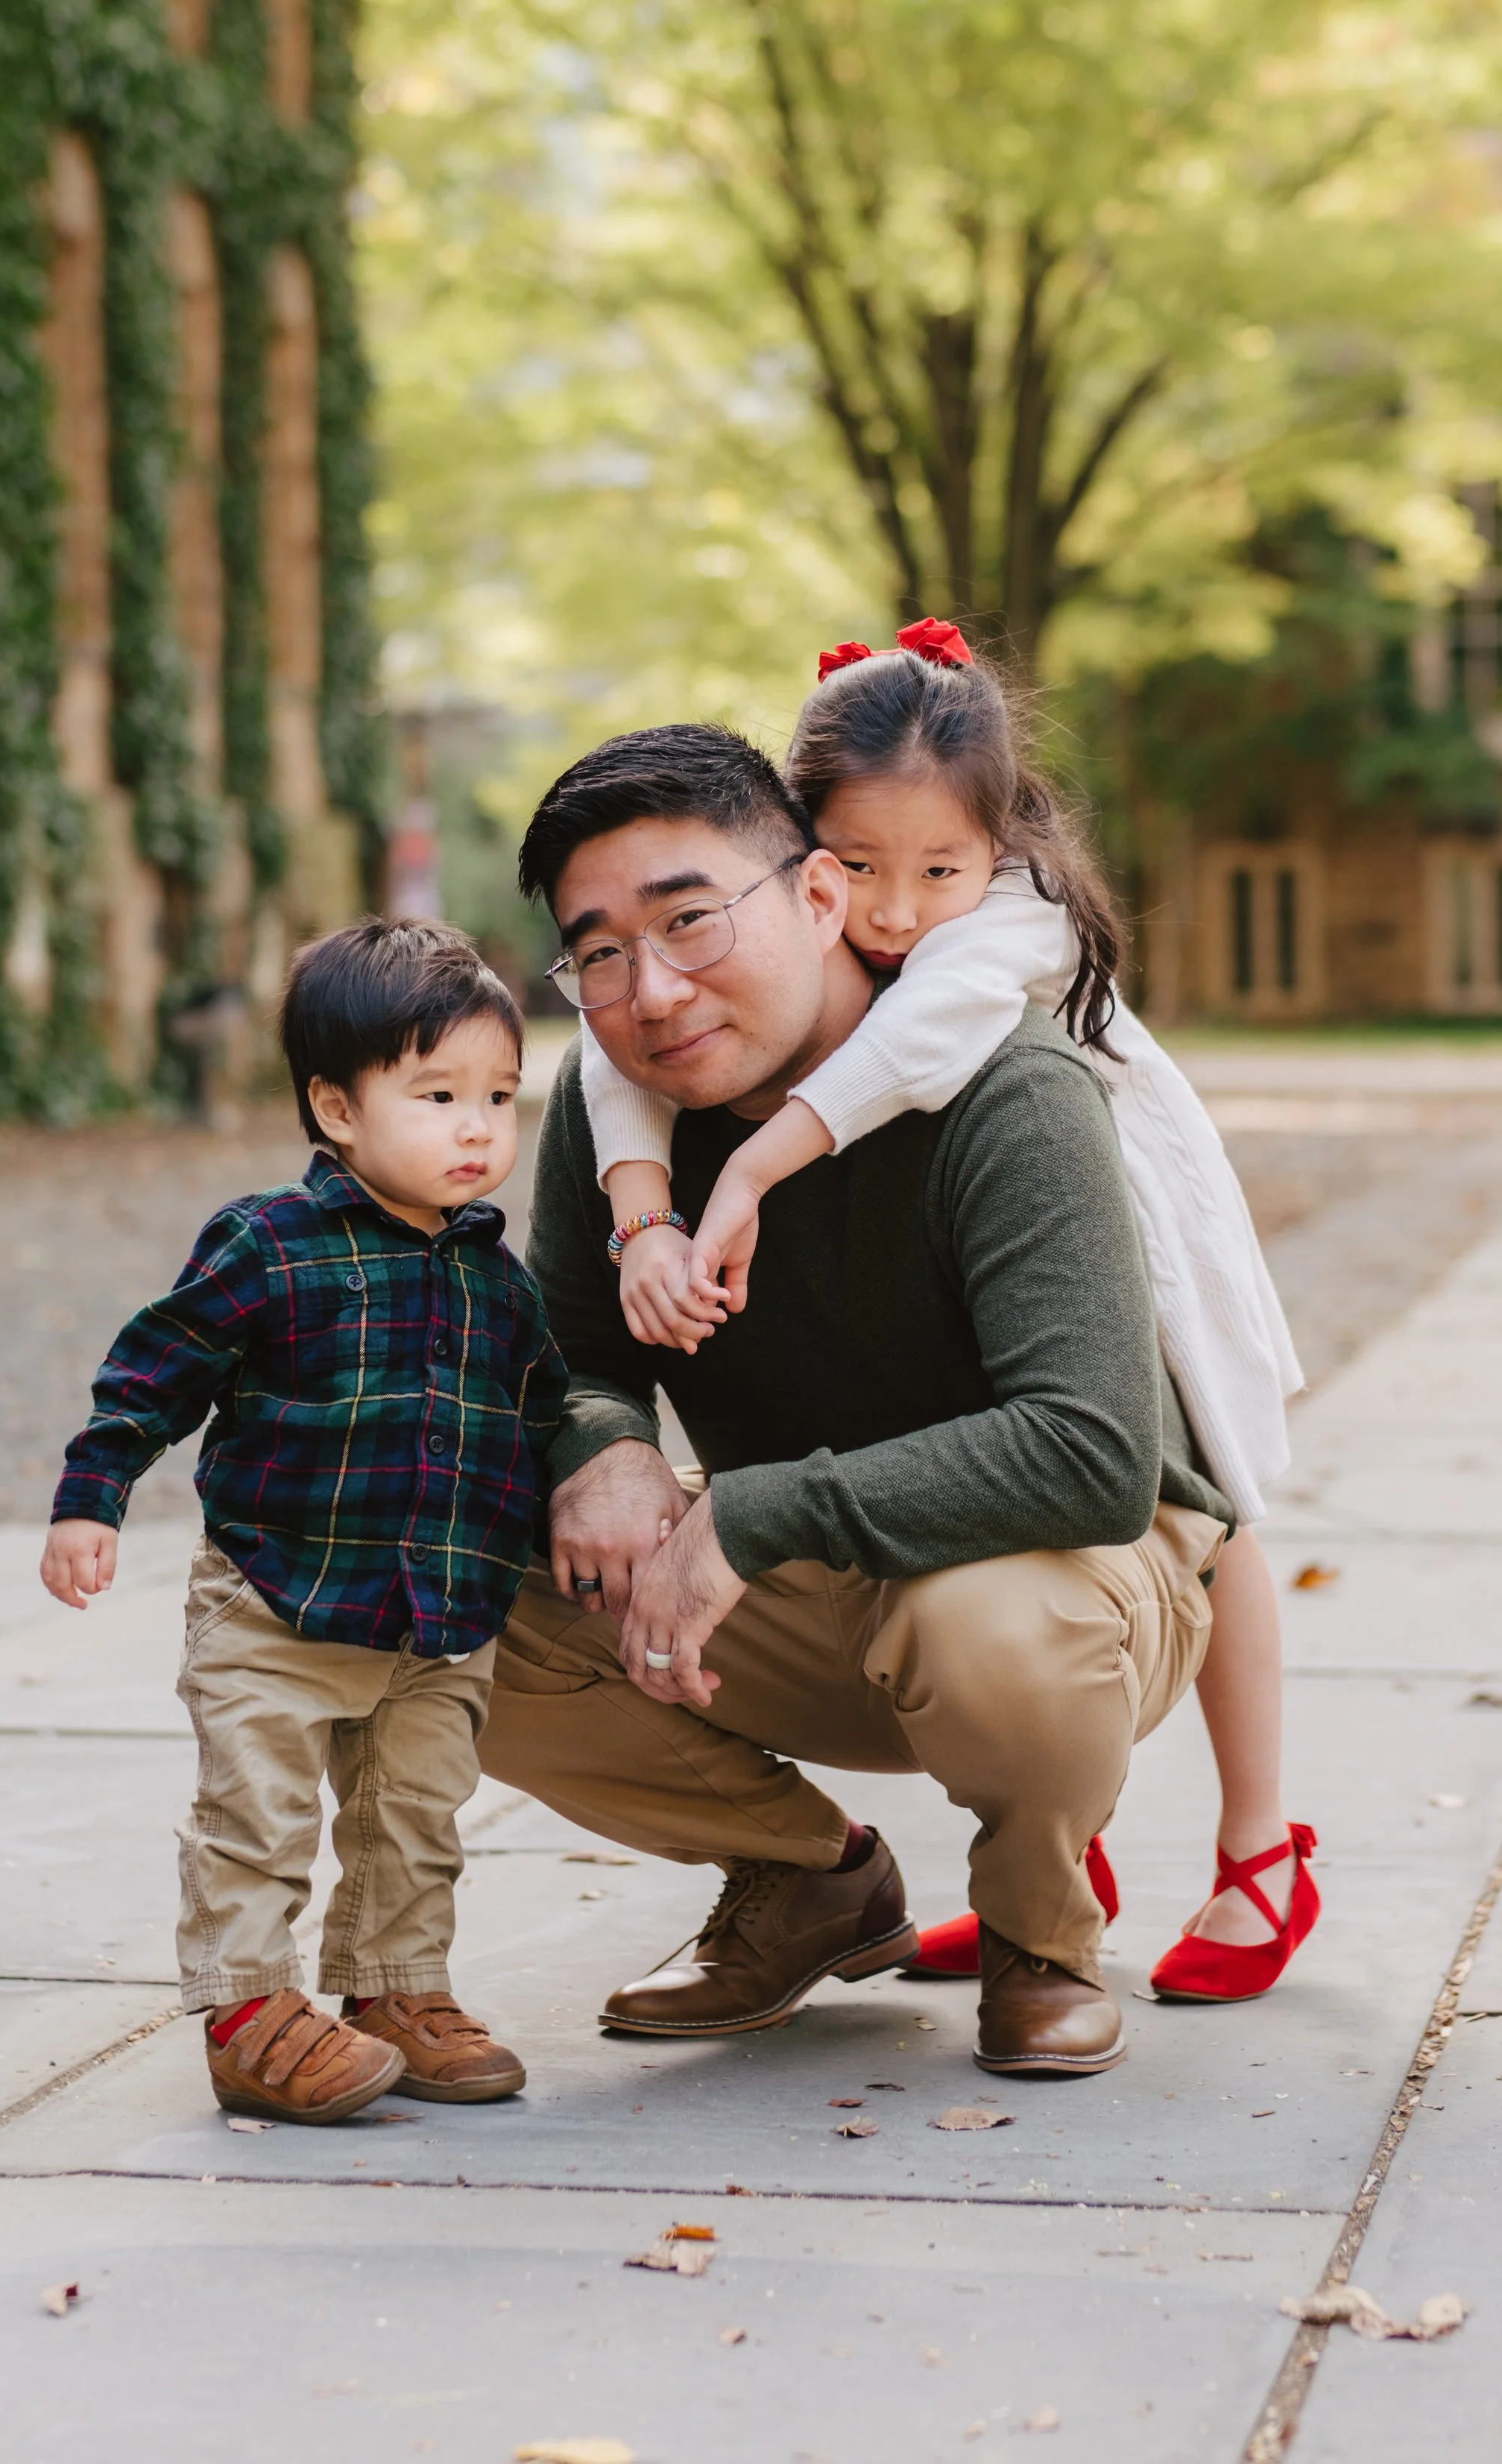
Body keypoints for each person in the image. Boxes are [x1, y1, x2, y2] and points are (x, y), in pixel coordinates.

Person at [478, 721, 1234, 2079]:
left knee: (981, 1613)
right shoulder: (617, 1121)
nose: (651, 990)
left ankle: (1042, 1935)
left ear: (820, 895)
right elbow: (570, 1358)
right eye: (599, 952)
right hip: (802, 1579)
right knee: (422, 1589)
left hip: (1075, 1574)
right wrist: (605, 1448)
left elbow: (1094, 1453)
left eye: (691, 920)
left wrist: (750, 1513)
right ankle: (808, 1878)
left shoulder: (1005, 1090)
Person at [585, 623, 1317, 2005]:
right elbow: (605, 1035)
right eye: (858, 868)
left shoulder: (1008, 928)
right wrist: (637, 1202)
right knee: (974, 1510)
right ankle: (1044, 1856)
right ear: (799, 846)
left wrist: (744, 1165)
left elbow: (913, 1054)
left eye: (940, 870)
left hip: (1121, 1210)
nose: (897, 911)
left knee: (1214, 1490)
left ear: (999, 845)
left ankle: (1259, 1846)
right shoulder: (735, 925)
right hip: (904, 1199)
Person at [42, 918, 565, 2123]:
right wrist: (91, 1497)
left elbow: (535, 1419)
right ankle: (246, 2011)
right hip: (279, 1592)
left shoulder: (501, 1278)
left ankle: (394, 1988)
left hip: (437, 1608)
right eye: (437, 1093)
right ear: (336, 1106)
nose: (479, 1124)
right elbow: (150, 1371)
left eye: (499, 1093)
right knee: (259, 1811)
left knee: (415, 1815)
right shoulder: (269, 1243)